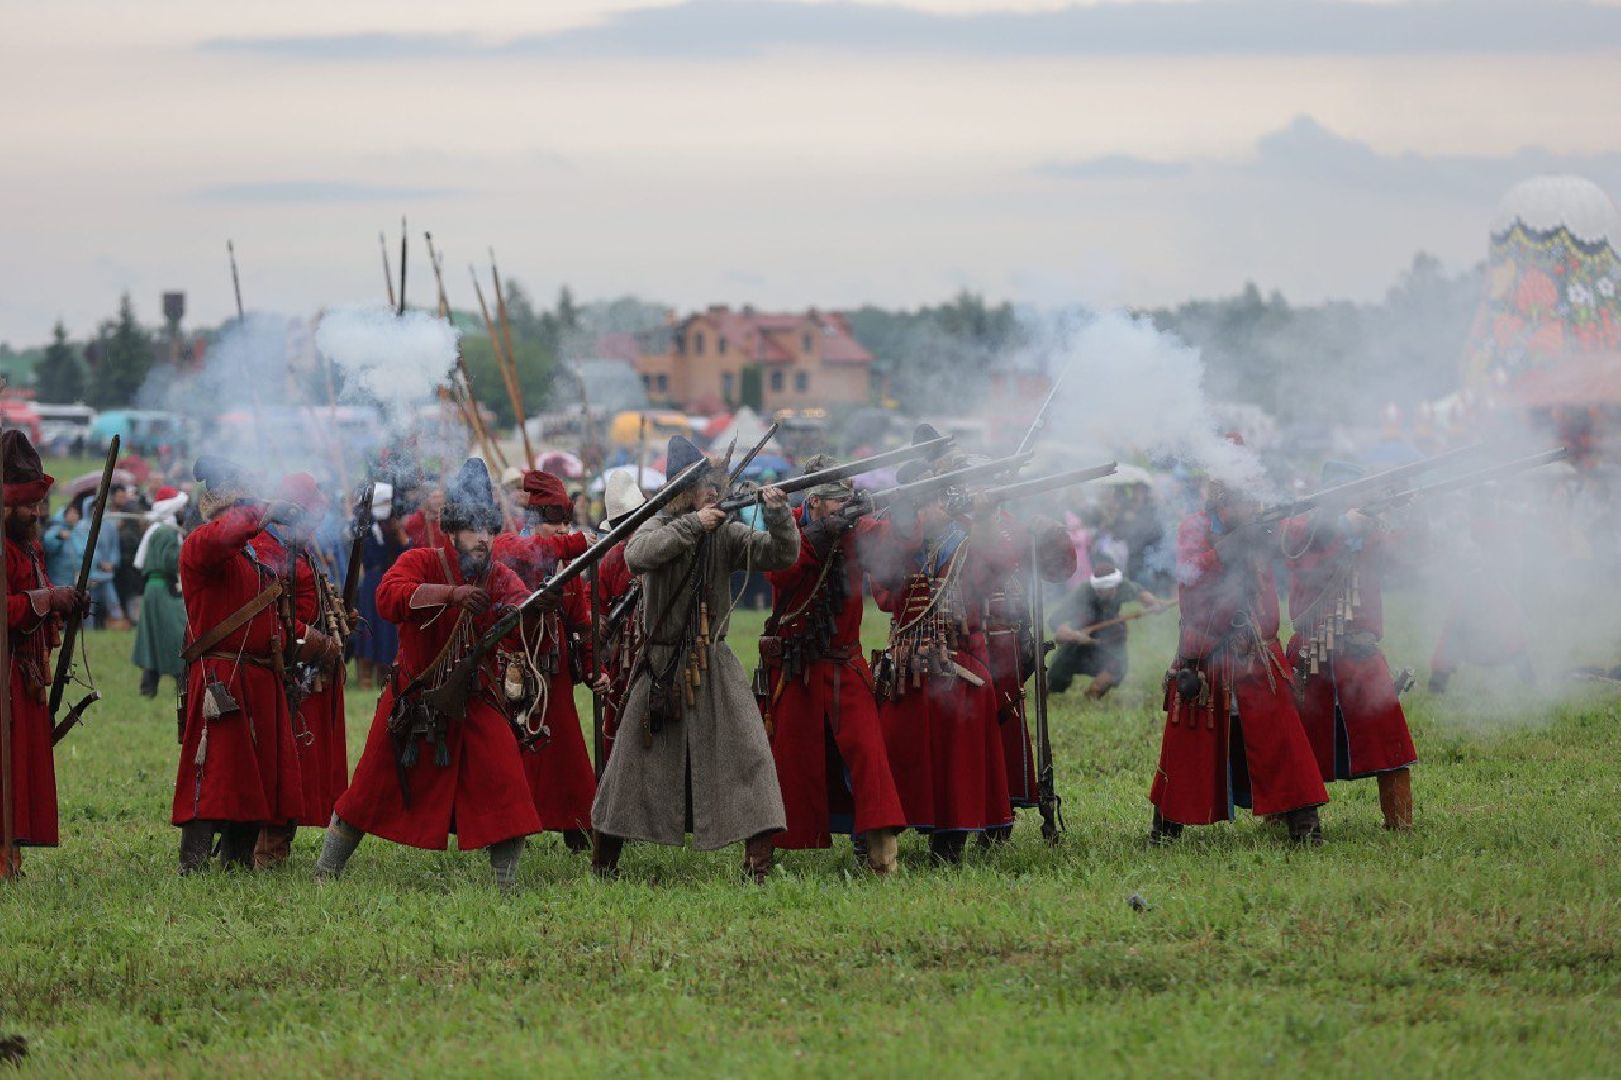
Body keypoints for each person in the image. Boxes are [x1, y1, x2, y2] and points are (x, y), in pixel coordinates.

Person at [317, 459, 541, 889]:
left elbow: (520, 610)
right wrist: (452, 594)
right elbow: (388, 597)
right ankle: (325, 873)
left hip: (474, 698)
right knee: (365, 794)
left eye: (488, 529)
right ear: (453, 531)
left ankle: (507, 887)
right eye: (473, 529)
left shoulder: (498, 574)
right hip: (412, 698)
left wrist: (533, 609)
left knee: (506, 782)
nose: (483, 538)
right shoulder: (421, 559)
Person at [590, 436, 799, 883]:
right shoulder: (658, 522)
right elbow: (637, 554)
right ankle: (603, 863)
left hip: (712, 659)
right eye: (704, 483)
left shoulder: (724, 531)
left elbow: (781, 555)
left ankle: (758, 864)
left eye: (714, 483)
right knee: (628, 767)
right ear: (682, 490)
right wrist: (693, 525)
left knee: (751, 757)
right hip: (662, 663)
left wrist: (779, 515)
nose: (713, 490)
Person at [1150, 478, 1329, 845]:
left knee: (1285, 741)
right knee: (1186, 749)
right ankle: (1165, 828)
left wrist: (1333, 515)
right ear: (1222, 503)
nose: (1253, 507)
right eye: (1244, 501)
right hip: (1206, 654)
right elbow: (1190, 575)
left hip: (1258, 651)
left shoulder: (1264, 523)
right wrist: (1228, 549)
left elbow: (1302, 536)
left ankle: (1304, 826)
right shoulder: (1195, 528)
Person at [757, 457, 906, 874]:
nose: (843, 508)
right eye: (837, 503)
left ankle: (880, 857)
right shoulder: (787, 524)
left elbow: (895, 551)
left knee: (868, 760)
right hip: (796, 668)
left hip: (844, 665)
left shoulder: (855, 525)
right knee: (783, 763)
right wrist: (821, 535)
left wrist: (904, 512)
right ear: (816, 502)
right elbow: (780, 572)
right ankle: (761, 854)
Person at [869, 458, 1016, 865]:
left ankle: (950, 843)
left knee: (959, 753)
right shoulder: (899, 543)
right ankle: (880, 829)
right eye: (920, 503)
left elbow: (999, 568)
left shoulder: (967, 540)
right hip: (907, 663)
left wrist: (984, 519)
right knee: (893, 745)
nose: (927, 510)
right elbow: (884, 596)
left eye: (932, 501)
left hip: (960, 658)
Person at [171, 457, 308, 873]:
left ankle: (238, 863)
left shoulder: (254, 557)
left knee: (256, 778)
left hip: (261, 674)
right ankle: (192, 864)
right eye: (244, 506)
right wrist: (263, 509)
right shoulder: (202, 544)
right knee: (215, 770)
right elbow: (223, 536)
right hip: (223, 675)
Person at [1282, 479, 1417, 830]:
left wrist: (1405, 516)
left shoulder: (1369, 529)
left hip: (1359, 649)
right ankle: (1287, 817)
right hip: (1312, 648)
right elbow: (1300, 557)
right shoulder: (1304, 529)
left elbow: (1406, 560)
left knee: (1389, 743)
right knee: (1295, 745)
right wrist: (1343, 527)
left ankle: (1400, 821)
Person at [492, 469, 599, 852]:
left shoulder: (563, 563)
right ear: (536, 519)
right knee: (511, 751)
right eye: (556, 522)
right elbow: (519, 552)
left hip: (555, 669)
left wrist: (595, 669)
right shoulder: (512, 546)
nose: (564, 529)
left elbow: (581, 622)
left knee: (566, 756)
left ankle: (577, 828)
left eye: (567, 522)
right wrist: (572, 544)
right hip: (515, 668)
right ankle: (507, 828)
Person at [250, 473, 350, 868]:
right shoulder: (263, 548)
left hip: (305, 668)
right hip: (282, 665)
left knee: (299, 760)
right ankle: (264, 848)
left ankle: (278, 844)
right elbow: (264, 617)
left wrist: (335, 621)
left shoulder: (296, 546)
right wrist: (313, 640)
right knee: (279, 760)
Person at [2, 430, 89, 878]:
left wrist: (66, 603)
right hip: (4, 674)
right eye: (27, 506)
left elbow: (42, 595)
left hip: (26, 673)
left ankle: (11, 859)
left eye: (38, 504)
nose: (35, 513)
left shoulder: (31, 545)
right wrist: (48, 599)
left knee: (22, 768)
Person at [978, 510, 1075, 838]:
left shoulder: (1012, 523)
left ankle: (1000, 816)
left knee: (1007, 726)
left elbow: (1060, 570)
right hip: (970, 637)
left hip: (1009, 642)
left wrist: (1054, 534)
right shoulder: (956, 525)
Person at [1047, 551, 1164, 701]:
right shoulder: (1083, 592)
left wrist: (1154, 604)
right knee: (1057, 675)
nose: (1100, 593)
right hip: (1080, 638)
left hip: (1110, 636)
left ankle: (1094, 693)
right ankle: (1053, 690)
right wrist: (1073, 635)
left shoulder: (1122, 586)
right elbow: (1056, 620)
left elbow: (1141, 593)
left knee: (1118, 667)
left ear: (1114, 587)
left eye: (1104, 591)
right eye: (1098, 591)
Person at [131, 486, 189, 698]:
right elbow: (171, 561)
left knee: (155, 635)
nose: (183, 512)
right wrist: (186, 552)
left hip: (154, 589)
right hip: (164, 589)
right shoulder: (168, 532)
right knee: (178, 634)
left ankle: (149, 685)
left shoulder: (157, 530)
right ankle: (182, 678)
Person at [85, 492, 128, 630]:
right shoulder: (82, 527)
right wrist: (98, 563)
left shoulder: (110, 527)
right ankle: (89, 631)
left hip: (106, 575)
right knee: (88, 606)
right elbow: (82, 549)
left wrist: (112, 563)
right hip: (90, 576)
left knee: (113, 602)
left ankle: (119, 628)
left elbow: (115, 548)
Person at [42, 500, 84, 589]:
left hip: (74, 581)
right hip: (58, 582)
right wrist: (58, 536)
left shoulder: (78, 532)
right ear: (64, 514)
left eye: (76, 513)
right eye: (71, 513)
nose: (74, 516)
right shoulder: (55, 529)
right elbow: (48, 545)